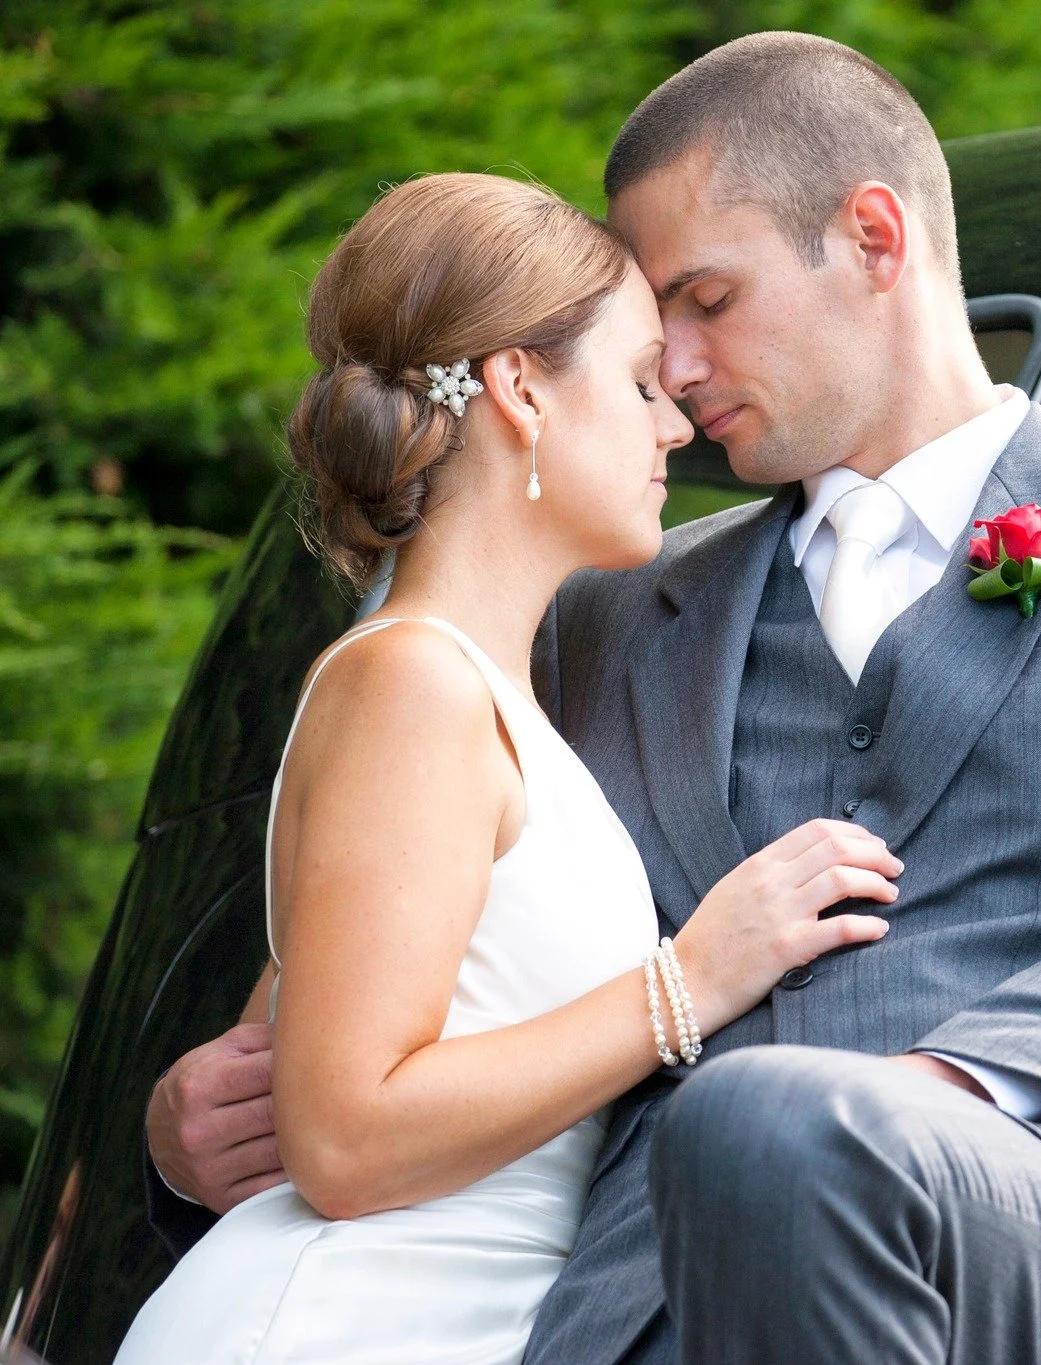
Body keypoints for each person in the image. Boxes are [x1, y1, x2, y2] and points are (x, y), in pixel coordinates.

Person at [143, 31, 1041, 1365]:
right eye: (653, 323)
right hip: (638, 1284)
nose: (672, 363)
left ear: (875, 238)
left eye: (707, 299)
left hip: (1038, 1217)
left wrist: (948, 1086)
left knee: (777, 1126)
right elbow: (403, 947)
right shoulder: (603, 608)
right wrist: (195, 1122)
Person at [118, 171, 902, 1362]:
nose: (674, 424)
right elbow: (342, 1141)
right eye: (640, 382)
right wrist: (689, 981)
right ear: (520, 388)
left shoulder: (493, 692)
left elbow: (297, 1056)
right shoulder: (412, 685)